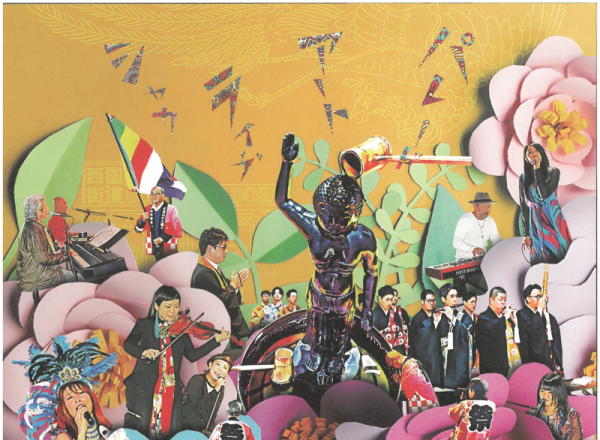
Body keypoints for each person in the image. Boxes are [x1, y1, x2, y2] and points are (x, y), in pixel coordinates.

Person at [277, 133, 378, 389]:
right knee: (316, 328)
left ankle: (336, 357)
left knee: (341, 332)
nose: (333, 224)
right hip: (318, 293)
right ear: (317, 210)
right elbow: (283, 201)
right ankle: (316, 352)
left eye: (341, 219)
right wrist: (287, 163)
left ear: (355, 214)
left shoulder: (363, 238)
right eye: (327, 216)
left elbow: (371, 273)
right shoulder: (312, 227)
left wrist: (367, 310)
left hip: (345, 297)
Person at [123, 285, 230, 438]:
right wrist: (143, 352)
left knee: (169, 427)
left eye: (176, 306)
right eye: (168, 306)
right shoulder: (145, 325)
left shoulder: (181, 329)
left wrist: (216, 340)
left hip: (170, 386)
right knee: (145, 425)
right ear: (157, 306)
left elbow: (192, 355)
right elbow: (128, 345)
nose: (173, 311)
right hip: (146, 385)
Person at [14, 335, 117, 440]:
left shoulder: (107, 428)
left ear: (91, 397)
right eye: (69, 397)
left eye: (81, 392)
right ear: (64, 409)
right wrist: (81, 432)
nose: (77, 399)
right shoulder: (62, 437)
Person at [191, 227, 251, 348]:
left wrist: (235, 286)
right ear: (209, 249)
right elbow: (218, 302)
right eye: (223, 247)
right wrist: (232, 286)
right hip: (220, 333)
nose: (226, 251)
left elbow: (225, 292)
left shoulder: (211, 268)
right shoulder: (203, 274)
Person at [520, 143, 572, 265]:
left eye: (536, 151)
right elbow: (524, 205)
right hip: (535, 222)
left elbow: (543, 194)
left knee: (560, 254)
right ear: (526, 158)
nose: (534, 154)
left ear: (542, 153)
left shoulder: (553, 172)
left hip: (552, 217)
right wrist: (526, 234)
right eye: (529, 152)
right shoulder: (523, 178)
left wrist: (537, 169)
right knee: (540, 258)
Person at [17, 194, 76, 299]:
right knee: (78, 278)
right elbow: (45, 259)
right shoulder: (33, 231)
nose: (48, 209)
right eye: (45, 207)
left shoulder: (33, 226)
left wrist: (58, 246)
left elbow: (42, 250)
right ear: (38, 212)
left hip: (37, 273)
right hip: (37, 277)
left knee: (71, 274)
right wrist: (68, 255)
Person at [182, 353, 234, 435]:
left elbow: (212, 414)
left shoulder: (220, 389)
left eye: (225, 368)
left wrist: (209, 433)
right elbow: (199, 408)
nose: (220, 369)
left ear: (226, 373)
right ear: (210, 365)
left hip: (202, 431)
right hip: (186, 429)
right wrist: (215, 390)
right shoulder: (197, 380)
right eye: (218, 364)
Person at [515, 284, 563, 373]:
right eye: (537, 297)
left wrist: (559, 363)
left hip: (551, 359)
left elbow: (556, 340)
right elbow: (532, 332)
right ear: (528, 299)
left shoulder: (548, 316)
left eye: (541, 297)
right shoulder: (521, 315)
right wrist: (539, 310)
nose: (540, 299)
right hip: (534, 360)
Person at [475, 287, 521, 377]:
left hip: (505, 363)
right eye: (500, 299)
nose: (503, 302)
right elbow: (492, 329)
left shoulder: (503, 317)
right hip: (490, 365)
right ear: (491, 300)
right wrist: (505, 317)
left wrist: (514, 322)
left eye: (505, 300)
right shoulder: (483, 317)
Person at [526, 372, 582, 440]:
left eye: (549, 391)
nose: (545, 395)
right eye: (542, 390)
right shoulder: (532, 414)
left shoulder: (571, 414)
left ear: (558, 392)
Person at [135, 185, 182, 261]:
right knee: (159, 265)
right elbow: (138, 229)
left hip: (168, 244)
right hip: (154, 245)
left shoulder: (171, 209)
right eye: (152, 194)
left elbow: (177, 230)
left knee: (170, 264)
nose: (154, 196)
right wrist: (143, 219)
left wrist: (162, 238)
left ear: (163, 195)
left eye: (157, 194)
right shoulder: (147, 209)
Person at [437, 284, 470, 389]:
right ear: (443, 299)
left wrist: (453, 319)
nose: (455, 299)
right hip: (441, 358)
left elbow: (467, 334)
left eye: (456, 296)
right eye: (452, 296)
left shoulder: (464, 317)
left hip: (457, 360)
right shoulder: (438, 316)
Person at [408, 290, 443, 387]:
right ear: (422, 301)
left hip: (436, 355)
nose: (431, 303)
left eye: (433, 300)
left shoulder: (438, 314)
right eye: (429, 301)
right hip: (423, 355)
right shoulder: (417, 318)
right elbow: (414, 340)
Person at [453, 192, 502, 260]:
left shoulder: (491, 221)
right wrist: (472, 249)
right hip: (464, 259)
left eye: (489, 206)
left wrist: (504, 248)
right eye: (483, 207)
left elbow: (497, 240)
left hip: (482, 259)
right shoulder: (465, 220)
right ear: (475, 206)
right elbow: (456, 242)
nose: (487, 210)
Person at [373, 286, 409, 355]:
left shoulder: (394, 313)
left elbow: (399, 333)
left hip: (395, 350)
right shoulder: (375, 313)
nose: (389, 302)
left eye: (391, 299)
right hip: (381, 351)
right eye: (387, 299)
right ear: (380, 298)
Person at [460, 292, 479, 371]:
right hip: (466, 350)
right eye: (471, 302)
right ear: (465, 302)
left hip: (476, 349)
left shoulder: (477, 317)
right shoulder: (461, 317)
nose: (474, 304)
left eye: (475, 302)